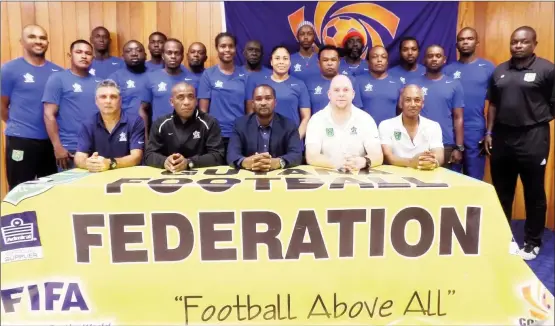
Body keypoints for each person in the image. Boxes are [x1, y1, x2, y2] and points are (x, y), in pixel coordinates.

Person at [485, 26, 554, 260]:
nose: (518, 46)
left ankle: (532, 242)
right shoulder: (500, 71)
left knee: (534, 192)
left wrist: (536, 118)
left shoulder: (547, 69)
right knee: (502, 192)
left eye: (524, 42)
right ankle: (502, 237)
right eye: (514, 42)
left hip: (533, 137)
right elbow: (493, 104)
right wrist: (489, 132)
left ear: (534, 43)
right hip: (502, 137)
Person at [1, 24, 62, 189]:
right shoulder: (9, 69)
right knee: (19, 189)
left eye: (42, 38)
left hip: (50, 142)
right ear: (22, 41)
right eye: (32, 37)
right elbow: (2, 105)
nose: (38, 41)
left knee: (50, 190)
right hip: (21, 141)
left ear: (47, 42)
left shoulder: (58, 72)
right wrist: (20, 126)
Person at [443, 27, 495, 180]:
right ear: (457, 44)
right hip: (450, 130)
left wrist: (489, 132)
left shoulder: (488, 68)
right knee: (452, 177)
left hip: (475, 130)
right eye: (461, 39)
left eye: (469, 38)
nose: (465, 42)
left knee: (475, 178)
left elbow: (494, 103)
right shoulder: (448, 70)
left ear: (477, 42)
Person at [305, 75, 383, 171]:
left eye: (346, 90)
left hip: (358, 178)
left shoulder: (366, 119)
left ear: (353, 94)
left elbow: (378, 156)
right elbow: (311, 157)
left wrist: (364, 161)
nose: (341, 94)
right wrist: (337, 164)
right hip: (326, 180)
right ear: (329, 94)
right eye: (336, 90)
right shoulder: (316, 120)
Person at [43, 40, 100, 170]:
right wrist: (57, 147)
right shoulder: (58, 79)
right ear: (70, 55)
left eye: (88, 53)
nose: (84, 56)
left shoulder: (100, 82)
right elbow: (48, 114)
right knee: (70, 188)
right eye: (79, 52)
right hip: (69, 147)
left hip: (96, 147)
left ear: (93, 57)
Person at [145, 82, 225, 171]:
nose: (186, 102)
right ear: (172, 102)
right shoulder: (160, 124)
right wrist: (164, 161)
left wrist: (189, 162)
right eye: (180, 97)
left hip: (200, 177)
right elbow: (149, 155)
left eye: (191, 97)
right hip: (170, 175)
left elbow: (218, 156)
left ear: (196, 101)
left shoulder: (209, 122)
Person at [227, 84, 303, 170]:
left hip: (278, 177)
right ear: (253, 104)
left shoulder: (289, 125)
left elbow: (296, 155)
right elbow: (232, 154)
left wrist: (278, 162)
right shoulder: (240, 124)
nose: (263, 103)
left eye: (268, 98)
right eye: (258, 99)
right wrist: (246, 162)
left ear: (275, 102)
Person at [414, 45, 464, 172]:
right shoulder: (414, 85)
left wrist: (458, 147)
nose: (434, 59)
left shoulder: (454, 84)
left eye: (438, 56)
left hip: (445, 144)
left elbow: (458, 117)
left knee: (445, 187)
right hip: (418, 143)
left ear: (444, 59)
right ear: (424, 59)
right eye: (430, 56)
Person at [75, 80, 144, 172]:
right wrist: (88, 163)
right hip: (98, 176)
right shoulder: (88, 124)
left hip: (127, 175)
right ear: (96, 101)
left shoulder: (135, 121)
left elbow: (136, 157)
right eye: (103, 97)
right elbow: (79, 157)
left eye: (113, 97)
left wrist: (110, 163)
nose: (108, 101)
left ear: (120, 100)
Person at [246, 45, 311, 139]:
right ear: (271, 62)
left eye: (285, 58)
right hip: (264, 141)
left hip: (291, 139)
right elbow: (252, 113)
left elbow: (306, 117)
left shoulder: (299, 84)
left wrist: (296, 140)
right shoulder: (261, 85)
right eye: (277, 58)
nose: (281, 62)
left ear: (289, 62)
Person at [198, 32, 248, 151]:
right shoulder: (208, 74)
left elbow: (249, 110)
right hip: (215, 134)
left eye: (231, 46)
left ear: (235, 49)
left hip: (239, 134)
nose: (227, 49)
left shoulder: (245, 75)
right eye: (223, 46)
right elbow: (203, 111)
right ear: (217, 48)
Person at [141, 38, 198, 135]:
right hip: (160, 133)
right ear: (163, 55)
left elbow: (198, 110)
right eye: (169, 53)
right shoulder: (151, 78)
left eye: (177, 53)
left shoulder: (193, 80)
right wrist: (146, 137)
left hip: (187, 133)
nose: (173, 56)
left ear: (182, 56)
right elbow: (143, 109)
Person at [379, 85, 444, 170]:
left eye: (417, 100)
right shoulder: (386, 125)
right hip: (395, 178)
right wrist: (411, 162)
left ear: (422, 104)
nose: (413, 104)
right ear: (400, 103)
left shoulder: (433, 126)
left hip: (425, 175)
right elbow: (388, 157)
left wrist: (433, 162)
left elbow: (439, 155)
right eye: (408, 100)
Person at [304, 45, 362, 115]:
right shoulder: (309, 83)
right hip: (318, 124)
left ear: (339, 62)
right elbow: (305, 112)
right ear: (319, 63)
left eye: (333, 60)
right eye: (325, 60)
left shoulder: (350, 81)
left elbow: (357, 110)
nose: (329, 63)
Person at [356, 46, 403, 125]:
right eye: (375, 57)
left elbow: (400, 112)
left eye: (383, 57)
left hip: (390, 132)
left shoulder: (398, 83)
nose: (379, 60)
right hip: (366, 131)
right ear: (368, 62)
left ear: (387, 61)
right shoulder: (357, 81)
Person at [108, 40, 149, 117]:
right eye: (129, 51)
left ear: (145, 55)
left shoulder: (154, 75)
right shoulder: (115, 78)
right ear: (123, 57)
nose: (134, 54)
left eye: (138, 50)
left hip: (153, 125)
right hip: (126, 125)